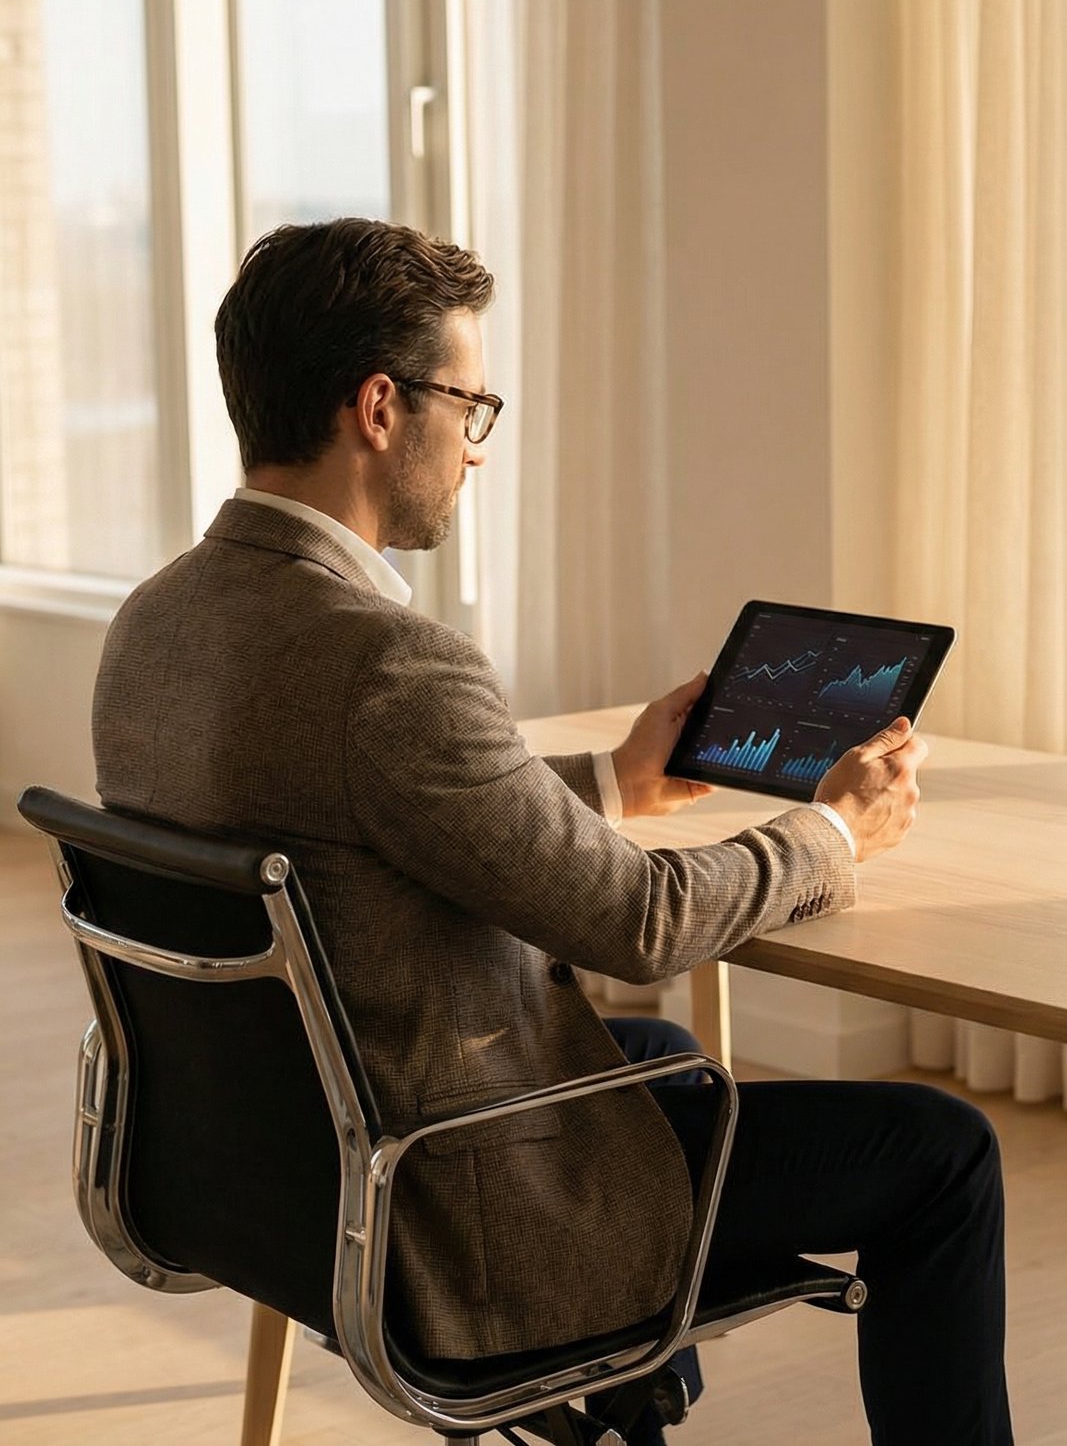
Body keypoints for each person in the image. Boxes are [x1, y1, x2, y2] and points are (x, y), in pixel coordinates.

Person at [92, 218, 1013, 1445]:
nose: (475, 450)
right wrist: (833, 833)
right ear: (380, 407)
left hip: (271, 1177)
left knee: (627, 1046)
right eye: (470, 407)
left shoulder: (154, 624)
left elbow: (354, 825)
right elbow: (638, 924)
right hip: (446, 1211)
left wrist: (613, 780)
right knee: (940, 1149)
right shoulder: (390, 663)